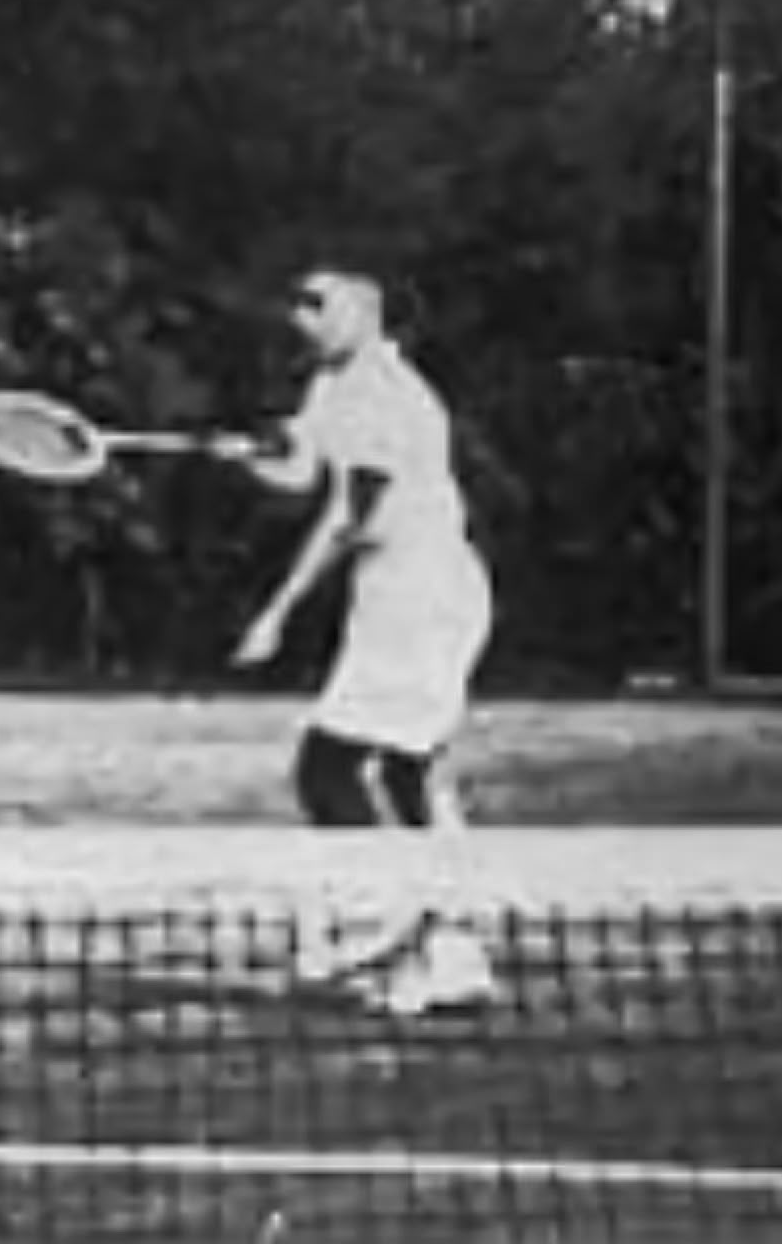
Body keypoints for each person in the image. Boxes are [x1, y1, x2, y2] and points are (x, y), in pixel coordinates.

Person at [229, 268, 498, 1015]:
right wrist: (257, 459)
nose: (302, 314)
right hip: (401, 593)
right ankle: (451, 952)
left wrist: (277, 611)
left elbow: (348, 517)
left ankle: (391, 935)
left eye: (321, 303)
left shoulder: (385, 394)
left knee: (327, 770)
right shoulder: (332, 387)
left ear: (367, 314)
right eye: (297, 302)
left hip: (421, 593)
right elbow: (301, 472)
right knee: (409, 773)